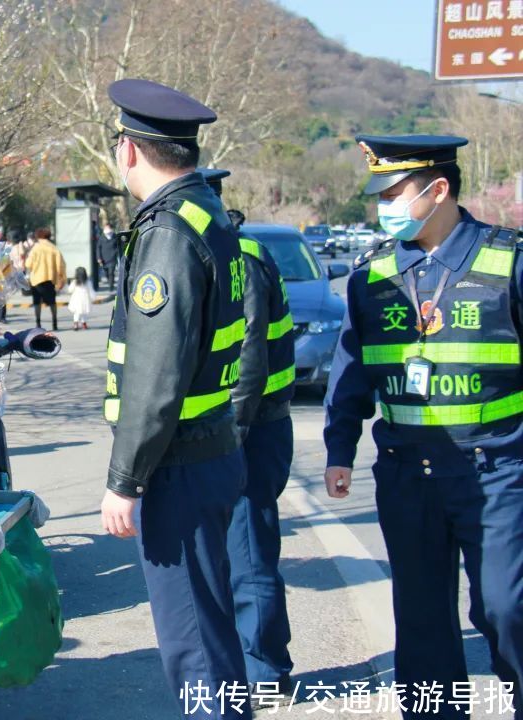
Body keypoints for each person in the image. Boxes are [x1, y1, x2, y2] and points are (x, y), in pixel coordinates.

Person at [323, 134, 523, 719]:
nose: (381, 206)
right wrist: (340, 446)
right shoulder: (373, 275)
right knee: (422, 620)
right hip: (407, 474)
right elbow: (351, 371)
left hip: (497, 474)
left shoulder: (508, 261)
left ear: (439, 190)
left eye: (393, 192)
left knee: (506, 609)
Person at [100, 79, 249, 719]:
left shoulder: (166, 233)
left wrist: (125, 480)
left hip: (177, 465)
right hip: (210, 448)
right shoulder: (207, 216)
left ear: (130, 151)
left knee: (191, 641)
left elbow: (155, 376)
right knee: (212, 633)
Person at [203, 167, 297, 691]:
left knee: (248, 554)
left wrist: (230, 442)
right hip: (237, 428)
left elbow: (248, 358)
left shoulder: (241, 257)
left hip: (249, 430)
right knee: (232, 553)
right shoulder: (224, 251)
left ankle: (263, 672)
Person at [24, 227, 66, 331]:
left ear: (37, 236)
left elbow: (28, 264)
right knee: (52, 302)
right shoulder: (54, 248)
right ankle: (54, 322)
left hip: (36, 280)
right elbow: (61, 265)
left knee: (37, 302)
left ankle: (38, 323)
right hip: (50, 279)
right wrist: (62, 279)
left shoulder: (35, 249)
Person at [67, 266, 95, 330]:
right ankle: (84, 324)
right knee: (84, 311)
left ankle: (75, 324)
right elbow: (91, 291)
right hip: (85, 298)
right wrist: (93, 298)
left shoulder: (74, 282)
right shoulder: (88, 282)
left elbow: (70, 290)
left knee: (76, 312)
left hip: (76, 298)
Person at [97, 221, 119, 290]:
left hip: (113, 257)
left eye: (108, 227)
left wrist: (116, 253)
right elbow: (98, 248)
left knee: (111, 272)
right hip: (104, 258)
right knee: (106, 272)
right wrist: (99, 258)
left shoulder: (115, 236)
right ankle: (110, 282)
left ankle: (111, 286)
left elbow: (118, 246)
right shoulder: (101, 237)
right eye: (106, 227)